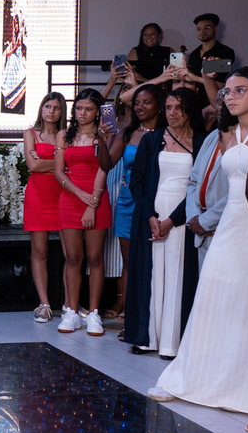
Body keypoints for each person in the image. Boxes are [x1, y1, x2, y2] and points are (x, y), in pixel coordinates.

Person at [148, 68, 248, 413]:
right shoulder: (228, 132)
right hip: (229, 224)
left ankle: (244, 387)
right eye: (227, 92)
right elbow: (203, 180)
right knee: (212, 297)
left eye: (240, 90)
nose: (230, 97)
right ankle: (195, 378)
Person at [124, 88, 208, 358]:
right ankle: (147, 338)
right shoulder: (152, 140)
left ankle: (172, 343)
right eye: (168, 108)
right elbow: (137, 181)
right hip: (152, 214)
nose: (172, 113)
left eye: (178, 108)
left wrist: (173, 220)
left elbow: (200, 186)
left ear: (189, 111)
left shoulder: (202, 142)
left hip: (182, 216)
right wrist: (150, 215)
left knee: (178, 275)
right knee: (150, 275)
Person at [99, 84, 164, 334]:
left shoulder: (168, 132)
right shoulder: (128, 133)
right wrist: (102, 140)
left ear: (159, 104)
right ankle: (130, 318)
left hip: (158, 201)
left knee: (156, 260)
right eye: (137, 102)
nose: (140, 107)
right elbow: (106, 164)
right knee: (130, 262)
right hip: (128, 201)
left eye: (146, 102)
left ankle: (157, 318)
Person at [55, 88, 112, 336]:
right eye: (79, 108)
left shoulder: (104, 135)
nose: (82, 113)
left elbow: (104, 169)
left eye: (88, 109)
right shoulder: (64, 136)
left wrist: (92, 203)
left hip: (97, 199)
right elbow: (59, 172)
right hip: (70, 198)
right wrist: (80, 195)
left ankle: (94, 314)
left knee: (95, 257)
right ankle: (71, 312)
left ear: (97, 112)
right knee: (73, 258)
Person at [23, 92, 66, 322]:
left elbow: (41, 163)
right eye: (47, 106)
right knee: (39, 251)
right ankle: (44, 304)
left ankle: (70, 304)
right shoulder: (30, 133)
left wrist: (45, 164)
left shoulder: (66, 135)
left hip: (63, 195)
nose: (51, 111)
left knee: (72, 253)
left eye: (56, 107)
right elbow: (33, 166)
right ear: (41, 108)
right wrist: (60, 163)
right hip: (38, 196)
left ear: (62, 111)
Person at [186, 99, 231, 270]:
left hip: (224, 227)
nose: (220, 107)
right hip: (201, 229)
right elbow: (193, 181)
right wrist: (193, 218)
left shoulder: (246, 139)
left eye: (225, 102)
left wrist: (205, 221)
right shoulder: (212, 136)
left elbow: (241, 190)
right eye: (218, 102)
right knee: (205, 286)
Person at [187, 13, 235, 84]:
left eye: (207, 28)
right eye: (199, 29)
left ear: (215, 29)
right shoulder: (194, 54)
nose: (202, 32)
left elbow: (220, 78)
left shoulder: (226, 51)